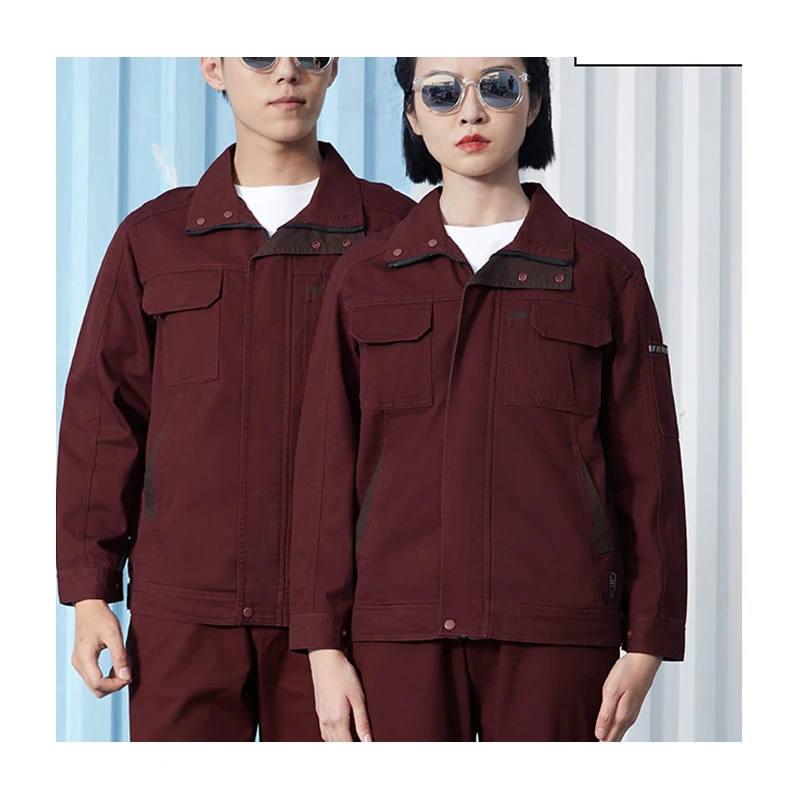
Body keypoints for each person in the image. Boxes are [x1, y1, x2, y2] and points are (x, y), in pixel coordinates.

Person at [289, 57, 688, 742]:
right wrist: (322, 645)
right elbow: (325, 469)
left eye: (498, 87)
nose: (470, 112)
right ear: (413, 115)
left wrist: (649, 638)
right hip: (400, 629)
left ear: (535, 104)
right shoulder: (364, 279)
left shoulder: (605, 274)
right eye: (442, 92)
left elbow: (649, 473)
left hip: (557, 630)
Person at [56, 56, 415, 741]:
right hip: (184, 610)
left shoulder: (395, 235)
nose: (287, 73)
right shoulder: (154, 238)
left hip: (342, 616)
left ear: (334, 68)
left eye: (309, 54)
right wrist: (89, 590)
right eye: (259, 55)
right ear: (214, 67)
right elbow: (103, 416)